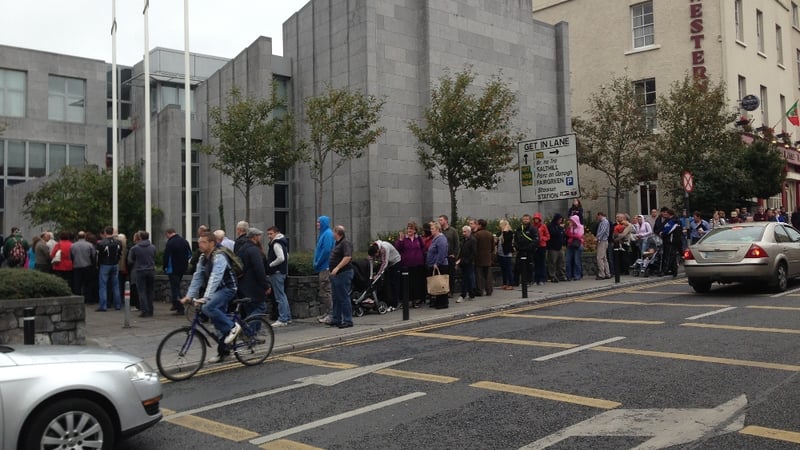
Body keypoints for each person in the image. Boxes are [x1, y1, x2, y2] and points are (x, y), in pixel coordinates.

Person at [181, 231, 240, 363]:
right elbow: (198, 277)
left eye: (203, 242)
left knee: (208, 308)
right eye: (199, 242)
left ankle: (233, 327)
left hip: (228, 289)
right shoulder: (203, 257)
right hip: (217, 290)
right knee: (217, 322)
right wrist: (189, 296)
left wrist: (206, 298)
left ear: (212, 243)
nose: (200, 245)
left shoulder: (219, 256)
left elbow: (215, 277)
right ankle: (224, 353)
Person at [325, 225, 354, 328]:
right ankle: (336, 319)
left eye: (334, 232)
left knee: (343, 297)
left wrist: (337, 268)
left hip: (343, 273)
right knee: (336, 297)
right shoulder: (338, 243)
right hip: (336, 275)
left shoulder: (345, 243)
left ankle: (348, 320)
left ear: (337, 233)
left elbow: (347, 257)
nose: (333, 234)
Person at [236, 227, 269, 319]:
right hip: (254, 286)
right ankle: (250, 330)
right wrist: (266, 285)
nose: (260, 238)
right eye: (259, 235)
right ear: (254, 237)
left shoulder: (242, 248)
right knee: (261, 308)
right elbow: (259, 269)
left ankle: (247, 330)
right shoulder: (254, 250)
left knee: (249, 310)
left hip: (243, 285)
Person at [395, 221, 426, 308]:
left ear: (415, 230)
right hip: (406, 265)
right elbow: (397, 248)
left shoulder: (418, 239)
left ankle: (415, 301)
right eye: (408, 228)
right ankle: (405, 302)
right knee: (406, 284)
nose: (409, 230)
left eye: (411, 228)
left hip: (417, 265)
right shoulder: (403, 239)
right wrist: (400, 240)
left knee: (415, 284)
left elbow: (423, 249)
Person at [266, 226, 292, 327]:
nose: (269, 236)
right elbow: (287, 256)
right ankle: (287, 317)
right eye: (268, 234)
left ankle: (282, 319)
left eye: (271, 234)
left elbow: (281, 258)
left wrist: (271, 264)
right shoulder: (283, 241)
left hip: (277, 272)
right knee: (283, 295)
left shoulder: (276, 243)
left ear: (276, 233)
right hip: (282, 271)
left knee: (279, 296)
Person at [128, 230, 156, 317]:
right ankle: (150, 310)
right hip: (151, 270)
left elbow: (130, 260)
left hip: (140, 270)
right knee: (150, 291)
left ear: (140, 237)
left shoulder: (135, 248)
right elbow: (154, 256)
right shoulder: (152, 247)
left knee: (142, 291)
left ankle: (144, 311)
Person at [164, 227, 192, 315]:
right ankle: (175, 304)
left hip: (172, 269)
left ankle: (180, 307)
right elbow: (189, 254)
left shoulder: (170, 243)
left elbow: (167, 257)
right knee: (176, 286)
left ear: (168, 233)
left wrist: (165, 267)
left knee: (175, 288)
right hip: (182, 268)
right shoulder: (184, 241)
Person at [368, 239, 402, 311]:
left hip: (395, 262)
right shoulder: (373, 247)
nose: (375, 257)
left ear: (377, 251)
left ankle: (395, 303)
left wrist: (378, 275)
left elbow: (384, 263)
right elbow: (371, 260)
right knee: (387, 283)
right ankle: (389, 301)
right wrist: (371, 275)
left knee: (394, 283)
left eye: (375, 255)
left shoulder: (384, 248)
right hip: (389, 263)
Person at [314, 216, 336, 323]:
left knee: (326, 290)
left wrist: (318, 262)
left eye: (319, 222)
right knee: (324, 291)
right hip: (323, 266)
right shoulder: (324, 233)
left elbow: (327, 250)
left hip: (325, 267)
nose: (317, 224)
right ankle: (328, 312)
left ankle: (332, 314)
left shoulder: (327, 234)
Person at [97, 226, 123, 311]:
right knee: (116, 285)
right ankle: (118, 305)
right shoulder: (118, 242)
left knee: (103, 285)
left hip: (105, 264)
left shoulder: (101, 243)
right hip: (115, 263)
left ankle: (103, 306)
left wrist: (99, 263)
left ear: (105, 232)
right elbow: (120, 253)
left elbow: (99, 255)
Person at [426, 222, 450, 309]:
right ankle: (438, 302)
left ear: (437, 229)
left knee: (441, 284)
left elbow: (442, 252)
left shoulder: (441, 239)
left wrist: (437, 263)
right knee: (437, 285)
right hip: (435, 264)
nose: (431, 231)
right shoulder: (435, 238)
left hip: (440, 265)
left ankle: (443, 303)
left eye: (432, 229)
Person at [71, 231, 97, 301]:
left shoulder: (73, 245)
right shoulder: (89, 245)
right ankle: (88, 299)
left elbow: (71, 256)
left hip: (77, 267)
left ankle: (77, 298)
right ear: (85, 236)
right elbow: (93, 256)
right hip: (87, 266)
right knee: (88, 283)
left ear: (77, 236)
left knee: (77, 284)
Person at [438, 215, 460, 297]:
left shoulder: (453, 231)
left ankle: (451, 291)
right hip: (442, 256)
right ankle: (444, 290)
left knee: (451, 275)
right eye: (439, 220)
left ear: (446, 221)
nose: (440, 222)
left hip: (450, 256)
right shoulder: (439, 231)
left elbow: (457, 244)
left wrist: (455, 255)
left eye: (441, 220)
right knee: (443, 274)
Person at [514, 214, 538, 286]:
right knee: (518, 266)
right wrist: (517, 247)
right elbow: (515, 239)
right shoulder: (519, 228)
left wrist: (529, 247)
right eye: (524, 219)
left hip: (529, 251)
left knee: (529, 267)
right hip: (520, 251)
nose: (525, 220)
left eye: (527, 219)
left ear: (529, 220)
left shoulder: (533, 229)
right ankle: (516, 282)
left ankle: (529, 281)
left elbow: (536, 240)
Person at [473, 219, 495, 297]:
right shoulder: (490, 234)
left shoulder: (477, 235)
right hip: (488, 258)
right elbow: (493, 247)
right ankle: (489, 290)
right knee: (488, 275)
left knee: (479, 276)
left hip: (479, 258)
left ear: (480, 225)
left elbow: (474, 247)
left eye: (477, 224)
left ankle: (480, 291)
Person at [456, 225, 476, 302]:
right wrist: (459, 260)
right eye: (463, 231)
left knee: (465, 279)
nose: (463, 233)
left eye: (465, 231)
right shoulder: (464, 240)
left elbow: (474, 253)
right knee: (467, 278)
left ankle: (463, 295)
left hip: (468, 263)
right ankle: (471, 293)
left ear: (469, 232)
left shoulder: (472, 240)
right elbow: (461, 251)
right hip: (463, 262)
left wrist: (468, 261)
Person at [660, 209, 682, 277]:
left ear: (669, 214)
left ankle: (665, 271)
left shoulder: (673, 221)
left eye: (667, 214)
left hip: (671, 241)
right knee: (673, 256)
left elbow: (668, 230)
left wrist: (662, 233)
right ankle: (674, 271)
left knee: (669, 256)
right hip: (675, 241)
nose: (665, 215)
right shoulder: (676, 220)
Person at [546, 214, 567, 282]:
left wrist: (564, 243)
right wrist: (560, 228)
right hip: (553, 247)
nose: (560, 221)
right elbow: (553, 233)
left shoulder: (560, 226)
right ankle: (552, 276)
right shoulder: (551, 226)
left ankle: (562, 275)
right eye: (559, 220)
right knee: (552, 262)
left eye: (561, 220)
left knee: (562, 262)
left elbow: (563, 235)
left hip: (560, 247)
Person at [531, 213, 550, 286]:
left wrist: (542, 239)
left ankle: (542, 279)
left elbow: (548, 236)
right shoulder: (532, 227)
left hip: (542, 246)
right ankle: (536, 279)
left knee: (542, 263)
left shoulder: (543, 226)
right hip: (535, 246)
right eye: (535, 218)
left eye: (537, 219)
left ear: (539, 219)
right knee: (536, 263)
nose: (536, 220)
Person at [496, 219, 514, 290]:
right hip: (500, 253)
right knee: (503, 269)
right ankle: (505, 283)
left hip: (506, 254)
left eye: (501, 224)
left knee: (508, 269)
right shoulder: (501, 233)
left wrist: (505, 232)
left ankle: (511, 284)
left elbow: (507, 240)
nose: (500, 226)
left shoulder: (509, 233)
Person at [565, 215, 584, 281]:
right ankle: (568, 275)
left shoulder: (580, 227)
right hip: (570, 245)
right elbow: (567, 234)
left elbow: (579, 236)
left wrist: (571, 235)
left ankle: (577, 275)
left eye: (572, 220)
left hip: (578, 245)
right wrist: (569, 229)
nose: (570, 222)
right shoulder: (570, 227)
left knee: (577, 261)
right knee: (568, 261)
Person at [595, 212, 611, 280]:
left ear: (600, 215)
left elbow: (603, 231)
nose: (597, 218)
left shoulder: (604, 222)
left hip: (602, 241)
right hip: (603, 241)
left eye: (598, 216)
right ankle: (607, 273)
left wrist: (597, 237)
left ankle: (602, 274)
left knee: (599, 258)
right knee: (604, 258)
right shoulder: (604, 222)